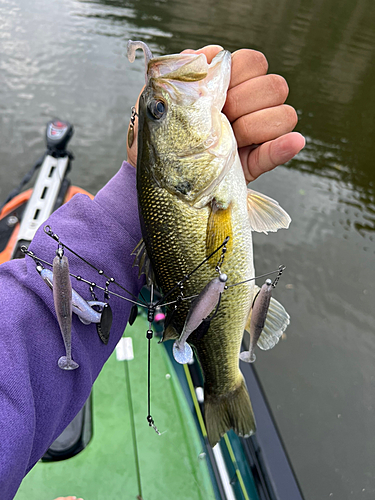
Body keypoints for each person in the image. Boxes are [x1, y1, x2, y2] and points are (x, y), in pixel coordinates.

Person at [0, 46, 305, 500]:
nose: (157, 107)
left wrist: (130, 196)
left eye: (154, 112)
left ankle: (222, 386)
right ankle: (224, 386)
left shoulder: (191, 173)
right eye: (157, 111)